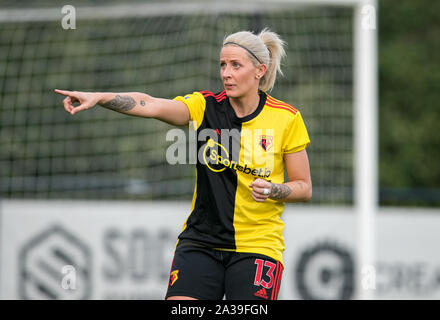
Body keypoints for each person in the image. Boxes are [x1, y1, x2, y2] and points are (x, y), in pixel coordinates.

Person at [54, 28, 312, 300]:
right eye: (223, 64)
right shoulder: (204, 106)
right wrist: (100, 97)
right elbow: (150, 105)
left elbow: (304, 187)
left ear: (259, 70)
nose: (226, 73)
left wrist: (274, 189)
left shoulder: (287, 118)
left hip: (258, 246)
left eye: (236, 65)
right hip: (201, 242)